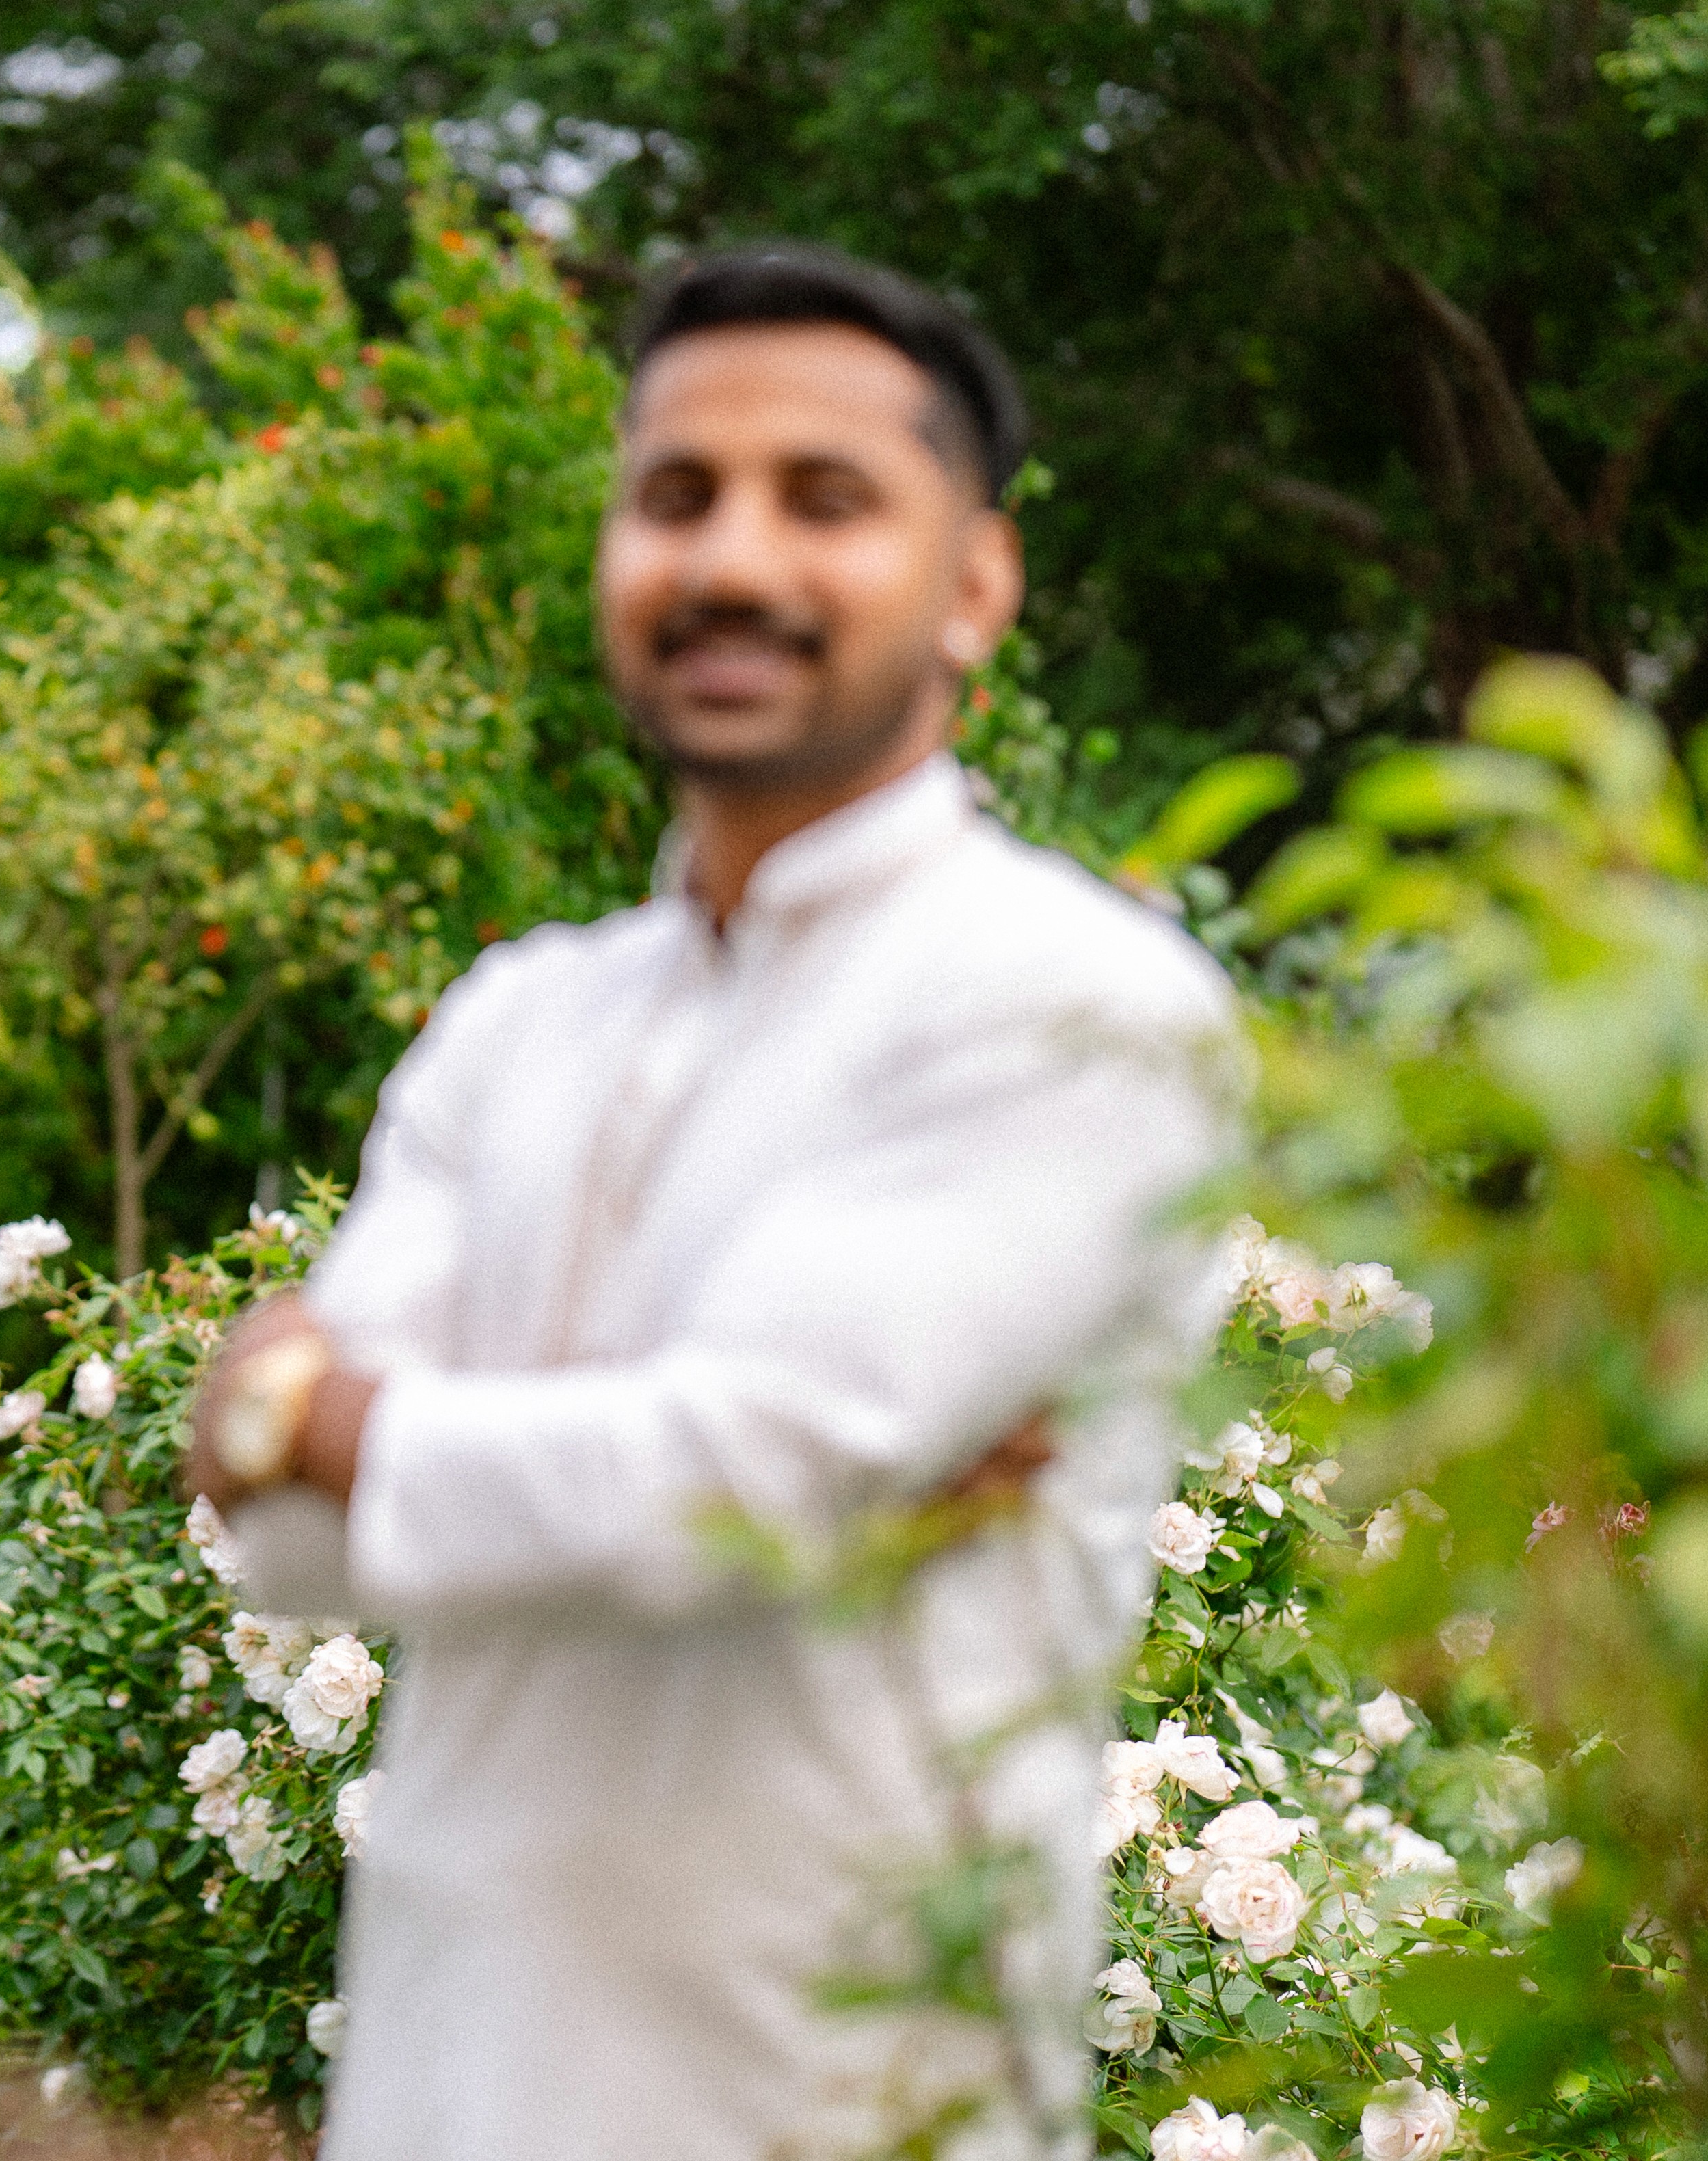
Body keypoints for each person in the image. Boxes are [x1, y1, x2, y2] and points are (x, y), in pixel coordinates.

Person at [187, 247, 1239, 2160]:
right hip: (436, 2084)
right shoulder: (526, 1017)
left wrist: (323, 1415)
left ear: (975, 585)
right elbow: (278, 1548)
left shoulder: (1074, 1008)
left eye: (823, 500)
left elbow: (731, 1476)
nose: (730, 561)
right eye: (675, 497)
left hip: (826, 2100)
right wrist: (352, 1452)